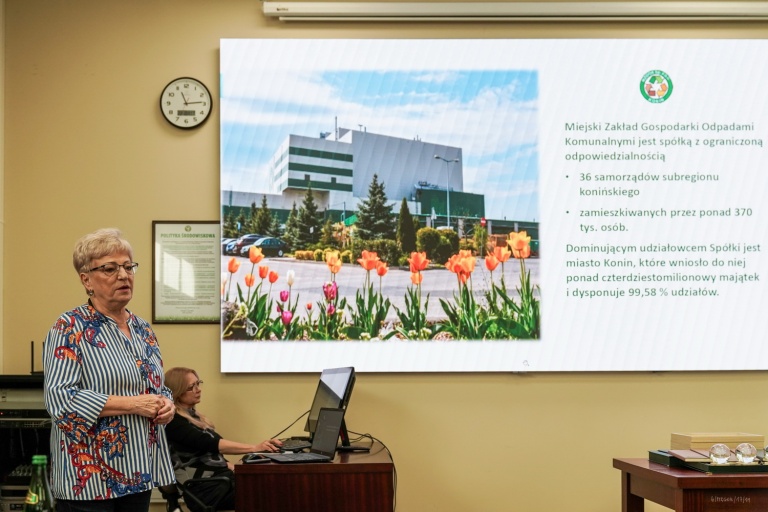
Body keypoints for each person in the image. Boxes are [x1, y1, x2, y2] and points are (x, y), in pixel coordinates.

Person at [43, 228, 176, 512]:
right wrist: (134, 405)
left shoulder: (143, 329)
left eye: (128, 267)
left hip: (139, 472)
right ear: (86, 279)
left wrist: (168, 404)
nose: (124, 275)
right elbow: (61, 401)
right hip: (89, 481)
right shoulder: (69, 327)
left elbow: (156, 386)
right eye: (110, 268)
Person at [162, 367, 282, 512]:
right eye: (191, 387)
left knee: (275, 483)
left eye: (198, 384)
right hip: (206, 491)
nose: (198, 389)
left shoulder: (193, 417)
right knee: (275, 492)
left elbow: (212, 456)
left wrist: (243, 468)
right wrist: (255, 448)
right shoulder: (173, 421)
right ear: (177, 391)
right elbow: (212, 444)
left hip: (220, 482)